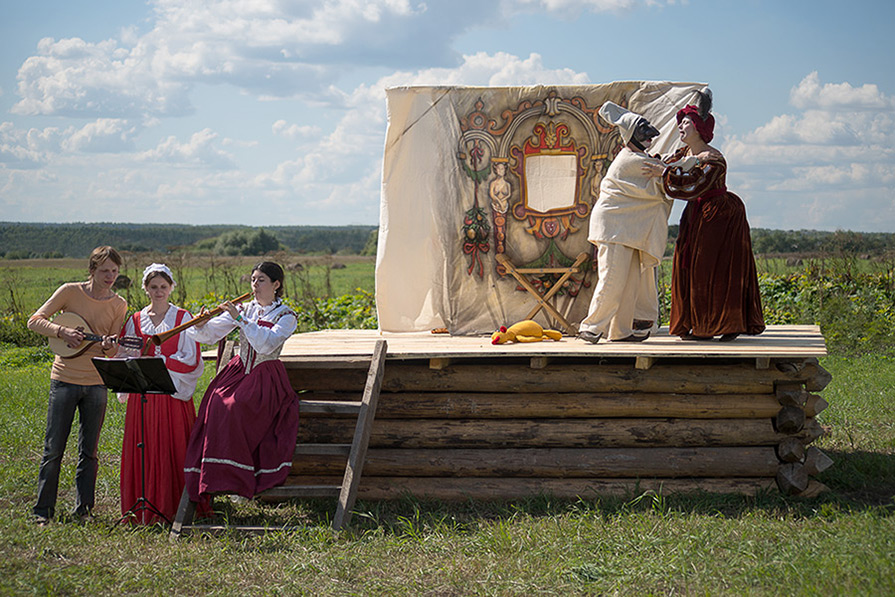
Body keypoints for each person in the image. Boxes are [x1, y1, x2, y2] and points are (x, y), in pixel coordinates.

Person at [647, 90, 765, 341]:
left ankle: (720, 324)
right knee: (687, 266)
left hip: (719, 217)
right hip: (698, 215)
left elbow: (693, 185)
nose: (680, 127)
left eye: (686, 123)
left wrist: (664, 174)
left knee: (712, 270)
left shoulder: (713, 158)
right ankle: (692, 322)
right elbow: (668, 165)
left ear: (699, 127)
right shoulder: (683, 154)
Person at [182, 261, 300, 503]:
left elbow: (265, 344)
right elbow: (211, 335)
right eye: (253, 279)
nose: (254, 285)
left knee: (236, 406)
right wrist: (201, 324)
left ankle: (238, 478)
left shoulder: (286, 316)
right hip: (239, 371)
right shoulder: (245, 308)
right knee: (214, 402)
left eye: (261, 280)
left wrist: (241, 319)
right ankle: (215, 478)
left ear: (276, 285)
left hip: (266, 376)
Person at [26, 246, 128, 524]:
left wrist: (109, 346)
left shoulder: (119, 304)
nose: (110, 276)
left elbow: (111, 351)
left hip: (97, 383)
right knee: (53, 448)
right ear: (92, 269)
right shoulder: (70, 291)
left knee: (90, 452)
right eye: (105, 270)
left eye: (115, 271)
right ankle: (42, 512)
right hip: (64, 379)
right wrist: (62, 331)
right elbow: (34, 321)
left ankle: (83, 510)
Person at [578, 101, 690, 343]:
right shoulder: (631, 161)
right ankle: (591, 327)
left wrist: (667, 162)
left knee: (629, 282)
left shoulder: (640, 157)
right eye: (644, 135)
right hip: (615, 228)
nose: (650, 139)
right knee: (613, 278)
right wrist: (689, 162)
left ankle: (620, 332)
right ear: (632, 136)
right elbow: (663, 181)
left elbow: (660, 168)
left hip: (625, 229)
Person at [117, 263, 205, 524]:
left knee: (173, 446)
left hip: (170, 395)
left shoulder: (182, 318)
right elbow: (125, 354)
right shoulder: (135, 320)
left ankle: (174, 504)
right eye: (153, 287)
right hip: (143, 398)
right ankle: (143, 506)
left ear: (171, 288)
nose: (159, 291)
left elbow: (191, 359)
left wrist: (162, 362)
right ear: (146, 289)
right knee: (144, 446)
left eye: (163, 287)